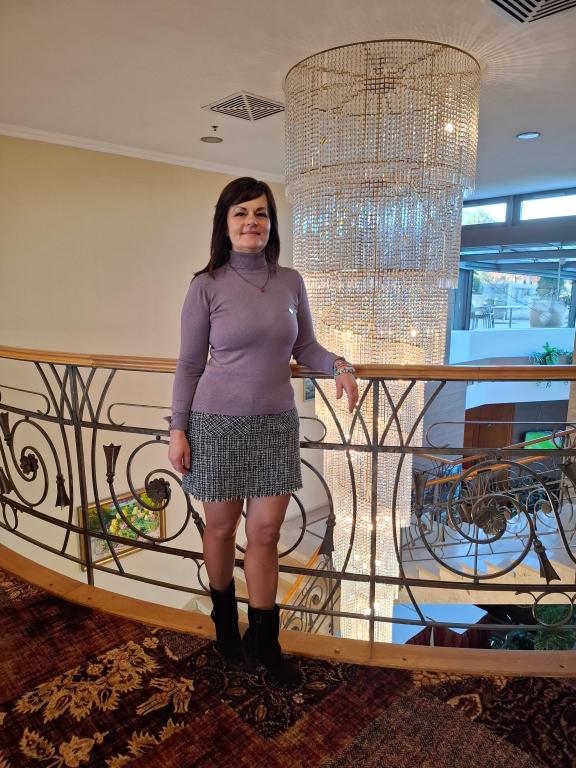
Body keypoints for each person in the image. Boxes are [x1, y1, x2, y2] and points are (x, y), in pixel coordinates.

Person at [168, 177, 357, 689]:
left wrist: (339, 364)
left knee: (267, 534)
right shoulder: (206, 285)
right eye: (241, 213)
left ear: (271, 223)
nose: (252, 221)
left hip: (276, 424)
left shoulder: (290, 281)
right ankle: (224, 624)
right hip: (216, 424)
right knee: (221, 530)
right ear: (225, 224)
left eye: (261, 213)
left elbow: (306, 347)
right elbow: (189, 364)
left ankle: (266, 642)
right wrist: (178, 429)